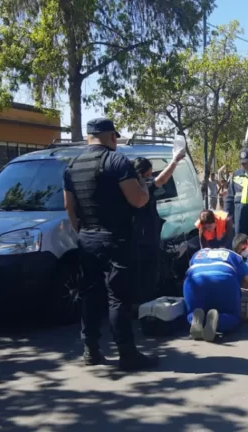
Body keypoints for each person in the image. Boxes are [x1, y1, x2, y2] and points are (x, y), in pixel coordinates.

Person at [63, 117, 156, 371]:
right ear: (112, 136)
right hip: (116, 239)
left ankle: (90, 350)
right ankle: (127, 353)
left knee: (90, 295)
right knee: (118, 297)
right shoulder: (117, 161)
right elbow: (137, 200)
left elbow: (69, 208)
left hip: (87, 239)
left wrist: (83, 233)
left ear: (88, 137)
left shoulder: (72, 165)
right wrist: (145, 188)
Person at [132, 150, 185, 304]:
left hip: (142, 236)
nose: (151, 177)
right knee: (148, 274)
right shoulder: (140, 186)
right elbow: (161, 180)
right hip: (146, 238)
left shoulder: (129, 187)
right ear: (142, 173)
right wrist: (175, 161)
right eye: (149, 174)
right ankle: (147, 306)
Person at [184, 248, 248, 342]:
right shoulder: (232, 255)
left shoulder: (197, 254)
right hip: (224, 276)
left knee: (192, 310)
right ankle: (219, 320)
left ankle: (195, 317)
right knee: (233, 316)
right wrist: (239, 285)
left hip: (194, 279)